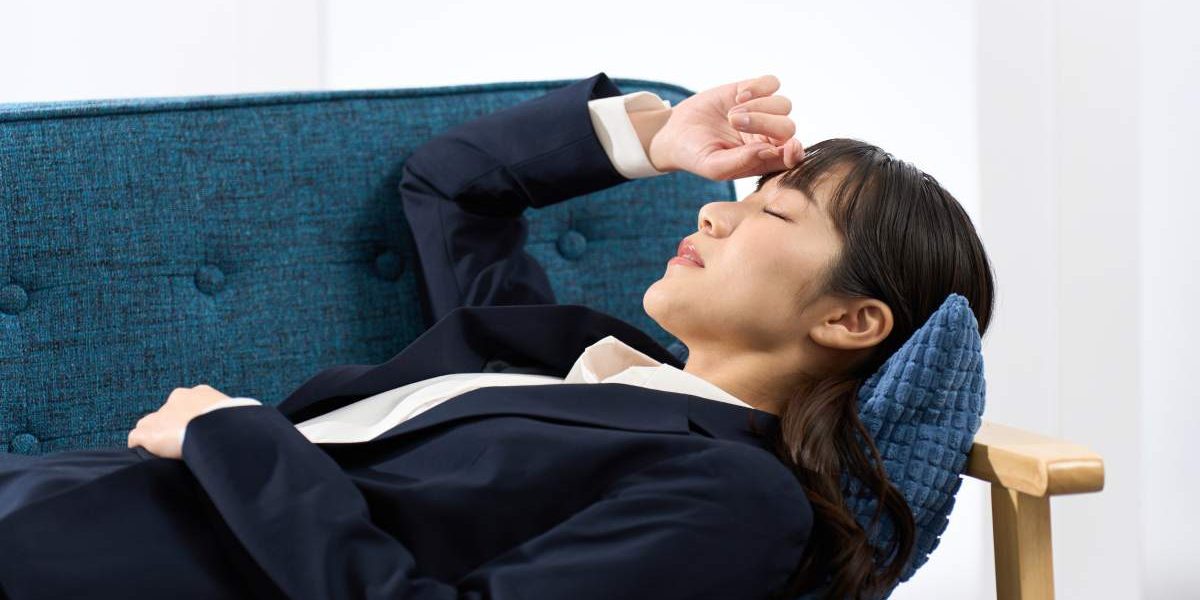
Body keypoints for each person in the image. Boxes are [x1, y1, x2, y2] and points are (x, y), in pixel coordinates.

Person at [0, 71, 994, 600]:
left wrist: (238, 437)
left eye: (775, 215)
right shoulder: (568, 355)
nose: (714, 213)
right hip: (61, 498)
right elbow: (453, 184)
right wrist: (654, 139)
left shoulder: (740, 499)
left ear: (851, 321)